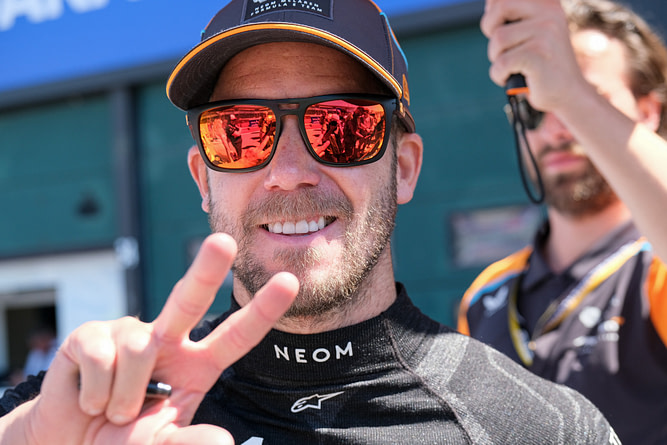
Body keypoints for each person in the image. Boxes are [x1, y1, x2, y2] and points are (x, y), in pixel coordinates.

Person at [0, 0, 619, 443]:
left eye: (343, 125)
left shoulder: (545, 427)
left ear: (403, 168)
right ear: (201, 178)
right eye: (240, 132)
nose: (290, 171)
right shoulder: (85, 415)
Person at [457, 0, 667, 443]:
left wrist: (569, 91)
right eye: (535, 104)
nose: (556, 128)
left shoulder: (654, 270)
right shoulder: (484, 295)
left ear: (649, 112)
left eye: (590, 96)